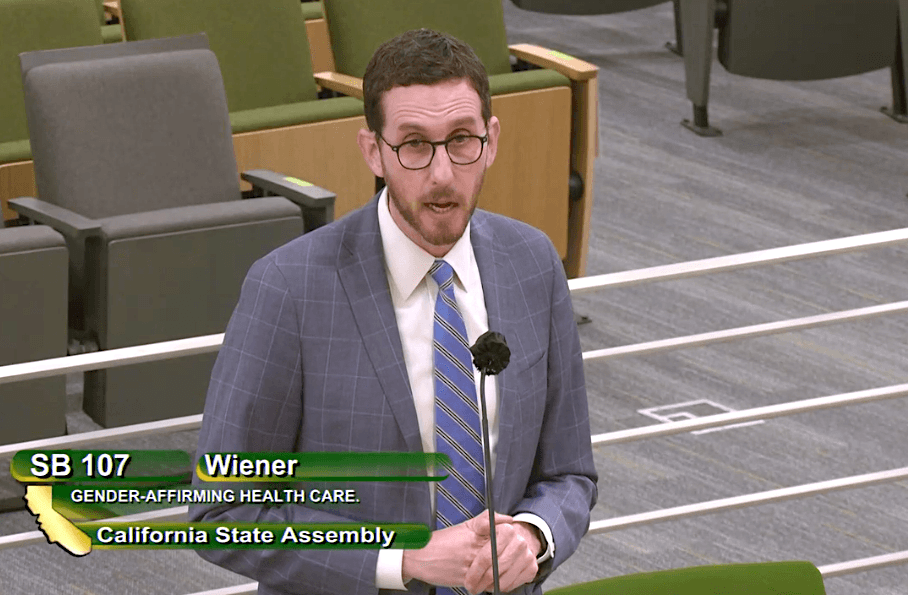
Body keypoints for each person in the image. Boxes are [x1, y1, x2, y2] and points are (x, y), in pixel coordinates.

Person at [190, 28, 597, 595]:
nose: (441, 174)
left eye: (461, 141)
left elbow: (568, 472)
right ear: (373, 151)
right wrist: (407, 558)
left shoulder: (533, 263)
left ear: (492, 139)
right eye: (413, 145)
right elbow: (224, 516)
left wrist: (531, 535)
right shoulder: (290, 288)